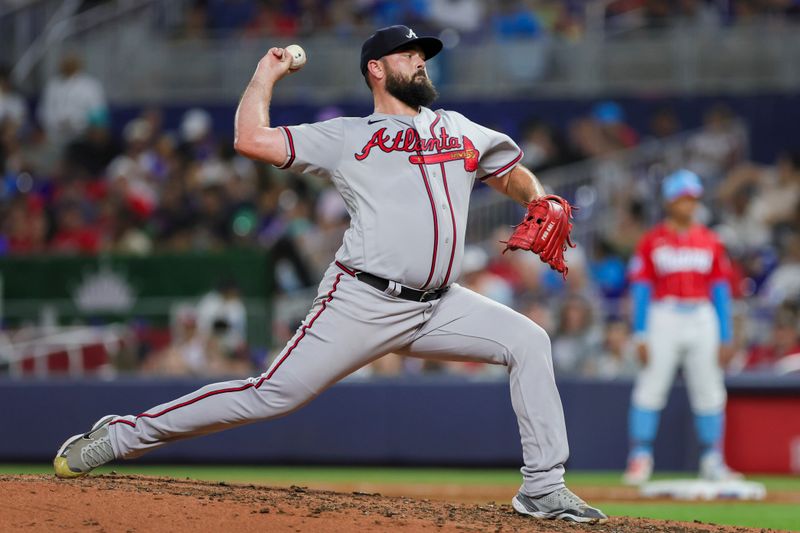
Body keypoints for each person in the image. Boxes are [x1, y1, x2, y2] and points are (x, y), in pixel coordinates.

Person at [53, 25, 606, 524]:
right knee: (269, 395)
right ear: (376, 68)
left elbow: (509, 173)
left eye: (423, 55)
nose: (421, 62)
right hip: (361, 302)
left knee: (529, 341)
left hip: (439, 305)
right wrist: (264, 74)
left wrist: (538, 196)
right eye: (409, 54)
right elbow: (251, 139)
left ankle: (542, 488)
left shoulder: (458, 127)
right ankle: (124, 435)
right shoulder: (347, 136)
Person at [623, 169, 740, 485]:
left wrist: (726, 334)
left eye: (693, 198)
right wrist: (640, 331)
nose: (689, 204)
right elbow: (641, 289)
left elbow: (720, 290)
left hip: (701, 315)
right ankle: (640, 457)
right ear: (670, 201)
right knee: (651, 385)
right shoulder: (652, 241)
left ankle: (712, 458)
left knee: (710, 387)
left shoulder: (710, 240)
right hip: (665, 314)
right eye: (683, 198)